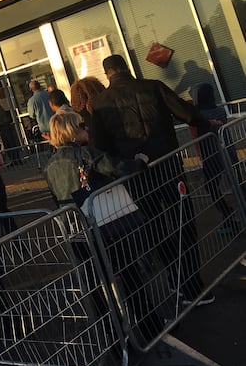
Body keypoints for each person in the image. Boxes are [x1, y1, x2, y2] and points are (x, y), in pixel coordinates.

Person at [91, 53, 216, 306]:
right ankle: (192, 284)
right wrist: (207, 122)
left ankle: (175, 279)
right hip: (169, 165)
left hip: (137, 174)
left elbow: (100, 145)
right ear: (125, 68)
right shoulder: (153, 87)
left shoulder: (100, 103)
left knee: (156, 228)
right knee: (183, 221)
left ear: (107, 74)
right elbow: (186, 113)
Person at [43, 111, 161, 343]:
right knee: (128, 274)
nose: (87, 129)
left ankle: (116, 339)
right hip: (104, 225)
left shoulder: (50, 165)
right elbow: (119, 168)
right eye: (82, 125)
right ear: (72, 131)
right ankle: (150, 328)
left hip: (75, 230)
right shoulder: (85, 153)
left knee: (97, 285)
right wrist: (140, 162)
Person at [191, 82, 240, 233]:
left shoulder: (199, 116)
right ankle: (240, 211)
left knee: (211, 185)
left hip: (211, 155)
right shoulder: (219, 111)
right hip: (228, 152)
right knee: (237, 182)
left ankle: (227, 214)